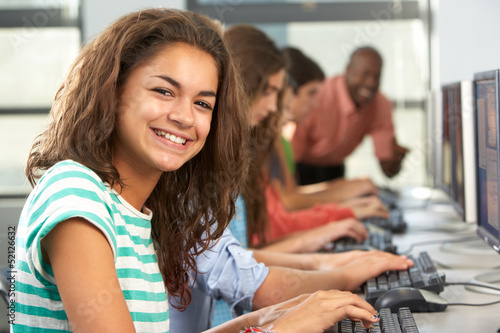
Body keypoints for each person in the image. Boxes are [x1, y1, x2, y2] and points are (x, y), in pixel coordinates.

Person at [12, 8, 390, 333]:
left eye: (203, 103)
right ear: (112, 90)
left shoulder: (141, 215)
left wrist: (270, 317)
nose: (183, 117)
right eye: (163, 91)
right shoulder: (77, 196)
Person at [169, 24, 413, 332]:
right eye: (270, 92)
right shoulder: (187, 178)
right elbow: (246, 259)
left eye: (202, 101)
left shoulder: (215, 167)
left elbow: (232, 257)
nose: (274, 106)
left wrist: (312, 278)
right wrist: (338, 271)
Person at [292, 46, 410, 186]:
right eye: (364, 74)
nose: (370, 83)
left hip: (336, 169)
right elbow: (289, 162)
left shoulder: (381, 104)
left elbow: (389, 172)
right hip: (299, 168)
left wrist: (396, 158)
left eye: (376, 76)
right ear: (348, 70)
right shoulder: (317, 96)